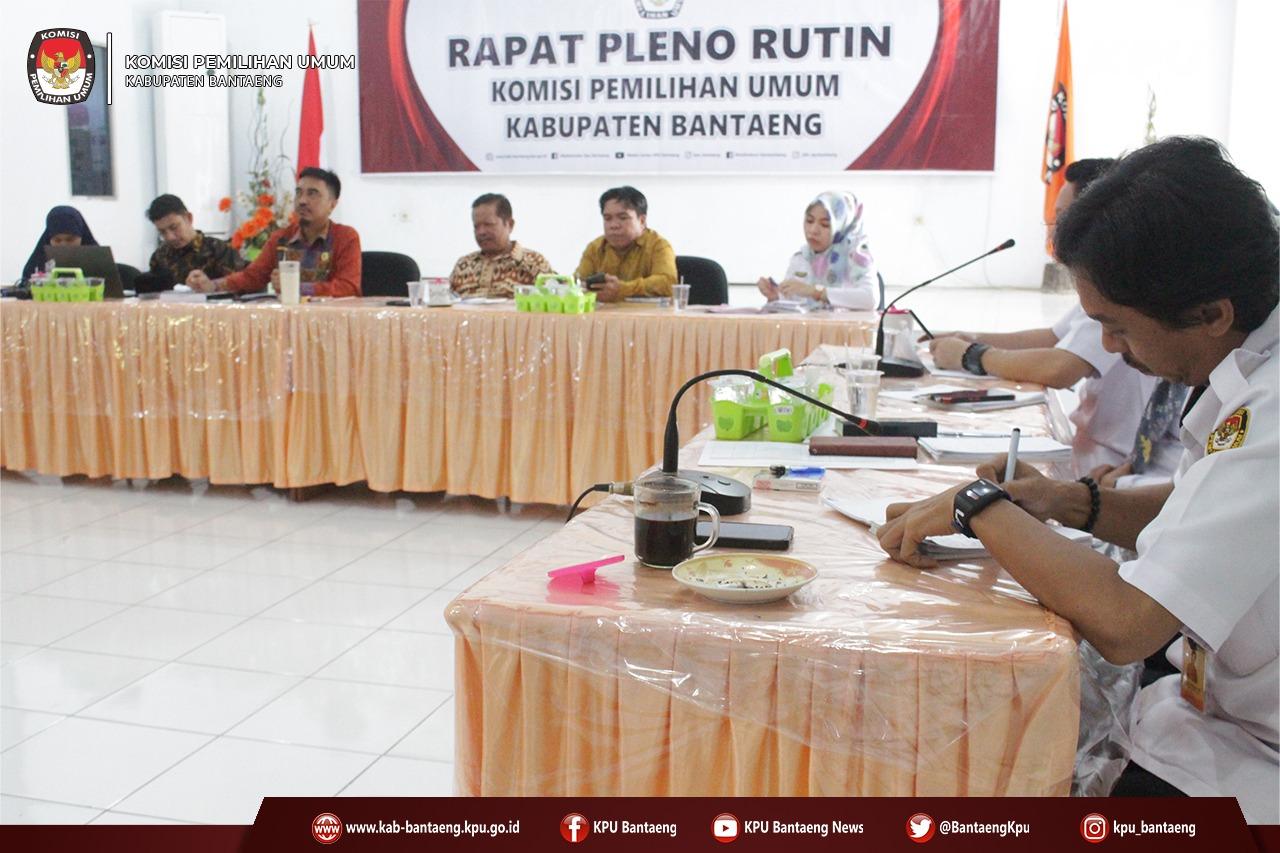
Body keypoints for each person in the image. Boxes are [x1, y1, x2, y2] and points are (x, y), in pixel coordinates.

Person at [876, 137, 1278, 820]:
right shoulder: (1247, 366)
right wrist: (1066, 501)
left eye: (1117, 329)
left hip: (1254, 757)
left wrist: (980, 506)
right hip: (1212, 710)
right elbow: (1201, 509)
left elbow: (1127, 623)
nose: (1111, 349)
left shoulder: (1270, 413)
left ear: (1213, 313)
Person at [926, 159, 1184, 480]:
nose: (1053, 231)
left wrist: (972, 355)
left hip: (1114, 464)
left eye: (1062, 218)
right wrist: (972, 337)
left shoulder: (1123, 287)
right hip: (1105, 461)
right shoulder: (1104, 287)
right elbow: (1054, 336)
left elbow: (1060, 368)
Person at [189, 167, 361, 297]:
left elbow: (349, 288)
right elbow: (252, 277)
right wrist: (213, 285)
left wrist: (296, 287)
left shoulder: (345, 237)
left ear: (332, 204)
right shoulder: (281, 238)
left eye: (312, 194)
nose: (302, 201)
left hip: (329, 323)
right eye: (299, 193)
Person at [756, 191, 878, 310]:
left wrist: (815, 291)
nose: (813, 230)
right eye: (809, 221)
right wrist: (775, 297)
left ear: (841, 226)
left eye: (825, 224)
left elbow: (870, 299)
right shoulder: (801, 258)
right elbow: (794, 306)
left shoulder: (857, 256)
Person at [574, 186, 676, 302]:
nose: (614, 225)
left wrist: (623, 289)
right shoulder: (595, 247)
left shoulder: (658, 245)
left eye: (623, 218)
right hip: (605, 313)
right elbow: (577, 282)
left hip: (644, 312)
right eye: (607, 219)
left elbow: (667, 283)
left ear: (642, 221)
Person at [449, 193, 553, 298]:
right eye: (476, 226)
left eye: (488, 224)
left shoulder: (534, 263)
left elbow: (554, 300)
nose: (481, 232)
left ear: (510, 224)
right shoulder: (463, 265)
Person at [144, 194, 242, 291]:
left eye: (174, 227)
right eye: (162, 232)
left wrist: (212, 286)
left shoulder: (220, 250)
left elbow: (241, 287)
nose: (170, 237)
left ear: (189, 218)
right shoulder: (159, 257)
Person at [22, 206, 97, 279]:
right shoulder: (35, 266)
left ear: (82, 237)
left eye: (70, 240)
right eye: (57, 240)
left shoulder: (97, 263)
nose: (63, 245)